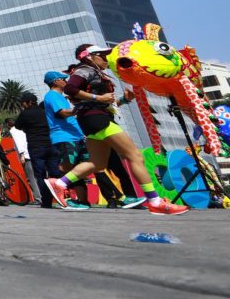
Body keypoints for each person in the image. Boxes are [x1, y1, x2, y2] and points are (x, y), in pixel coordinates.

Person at [46, 45, 185, 215]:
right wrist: (98, 97)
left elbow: (102, 104)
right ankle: (155, 201)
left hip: (91, 120)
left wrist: (123, 100)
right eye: (103, 55)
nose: (106, 58)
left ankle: (60, 183)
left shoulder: (93, 72)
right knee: (135, 156)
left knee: (97, 163)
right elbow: (70, 88)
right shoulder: (85, 70)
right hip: (97, 119)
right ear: (90, 57)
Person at [13, 90, 53, 208]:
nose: (22, 105)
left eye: (23, 103)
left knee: (40, 174)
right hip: (50, 144)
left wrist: (27, 127)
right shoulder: (45, 112)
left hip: (36, 146)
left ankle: (46, 201)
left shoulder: (25, 114)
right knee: (53, 172)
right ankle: (59, 197)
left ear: (28, 102)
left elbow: (18, 125)